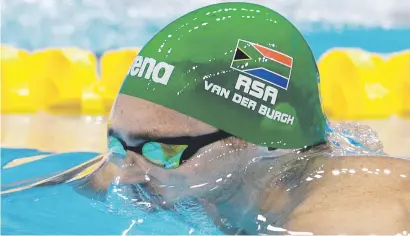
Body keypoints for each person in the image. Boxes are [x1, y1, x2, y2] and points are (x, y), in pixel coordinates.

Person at [4, 2, 408, 235]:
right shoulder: (141, 165)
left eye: (162, 150)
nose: (125, 174)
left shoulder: (348, 213)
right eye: (116, 143)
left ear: (258, 143)